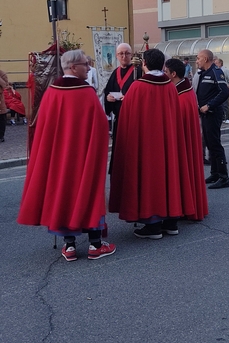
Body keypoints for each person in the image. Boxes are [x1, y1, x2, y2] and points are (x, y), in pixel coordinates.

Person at [17, 50, 116, 261]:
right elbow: (100, 127)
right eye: (85, 64)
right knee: (89, 192)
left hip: (59, 158)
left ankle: (69, 246)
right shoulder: (86, 93)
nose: (89, 68)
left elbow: (43, 130)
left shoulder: (51, 93)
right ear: (73, 67)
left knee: (62, 192)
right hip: (83, 157)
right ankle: (95, 245)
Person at [109, 48, 195, 238]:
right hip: (168, 143)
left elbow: (127, 119)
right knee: (169, 175)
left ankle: (153, 225)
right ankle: (171, 222)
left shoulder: (138, 87)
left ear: (145, 64)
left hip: (146, 145)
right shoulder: (170, 87)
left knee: (150, 180)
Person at [165, 58, 208, 221]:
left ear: (173, 74)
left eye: (166, 72)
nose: (164, 74)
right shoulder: (185, 88)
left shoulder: (180, 95)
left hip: (182, 143)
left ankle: (185, 207)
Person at [104, 42, 141, 171]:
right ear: (117, 56)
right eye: (121, 54)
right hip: (119, 117)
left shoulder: (138, 71)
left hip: (135, 118)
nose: (124, 56)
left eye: (127, 53)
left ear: (131, 55)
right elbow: (107, 91)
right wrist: (108, 98)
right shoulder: (116, 72)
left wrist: (130, 98)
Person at [196, 49, 229, 189]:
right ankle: (215, 173)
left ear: (205, 59)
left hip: (213, 113)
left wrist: (209, 105)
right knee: (209, 143)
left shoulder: (216, 72)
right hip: (205, 114)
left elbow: (224, 92)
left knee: (215, 144)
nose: (197, 61)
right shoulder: (204, 73)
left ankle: (223, 177)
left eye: (198, 58)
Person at [214, 57, 229, 123]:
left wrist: (228, 85)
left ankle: (227, 117)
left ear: (220, 63)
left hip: (224, 88)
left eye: (216, 63)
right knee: (220, 104)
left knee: (225, 104)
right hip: (218, 89)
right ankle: (222, 117)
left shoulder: (225, 70)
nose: (215, 64)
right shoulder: (216, 70)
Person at [0, 69, 9, 143]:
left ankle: (1, 136)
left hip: (0, 100)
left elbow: (5, 85)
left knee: (2, 118)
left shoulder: (2, 74)